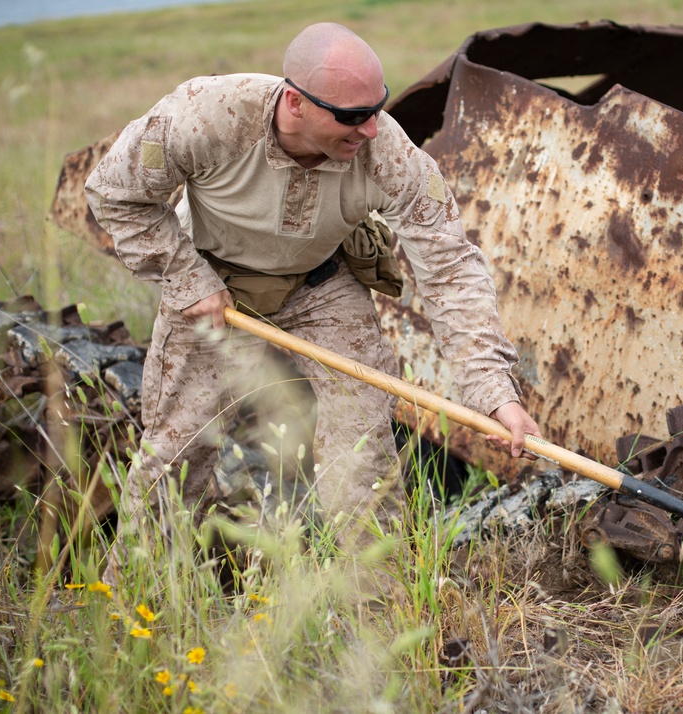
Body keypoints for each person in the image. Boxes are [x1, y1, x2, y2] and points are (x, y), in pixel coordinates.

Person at [85, 22, 540, 567]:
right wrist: (186, 280)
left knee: (364, 452)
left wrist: (496, 393)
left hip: (321, 284)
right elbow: (115, 193)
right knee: (179, 451)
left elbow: (450, 268)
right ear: (295, 103)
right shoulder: (204, 116)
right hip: (212, 286)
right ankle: (134, 597)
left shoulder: (385, 150)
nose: (371, 129)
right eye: (351, 116)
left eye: (378, 108)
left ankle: (376, 611)